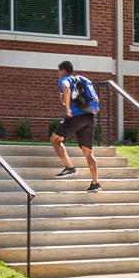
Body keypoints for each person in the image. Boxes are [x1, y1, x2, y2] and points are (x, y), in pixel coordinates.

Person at [49, 60, 101, 191]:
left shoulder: (65, 80)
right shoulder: (80, 80)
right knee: (88, 152)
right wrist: (66, 102)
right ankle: (95, 183)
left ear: (63, 71)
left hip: (75, 117)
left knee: (55, 140)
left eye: (59, 72)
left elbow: (66, 88)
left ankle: (69, 168)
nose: (58, 75)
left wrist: (67, 108)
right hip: (89, 117)